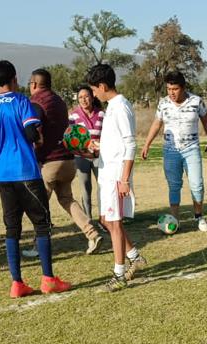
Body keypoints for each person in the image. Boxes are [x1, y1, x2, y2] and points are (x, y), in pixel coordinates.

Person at [0, 60, 71, 298]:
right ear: (14, 79)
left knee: (12, 228)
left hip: (3, 175)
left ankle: (16, 283)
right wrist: (36, 141)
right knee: (41, 225)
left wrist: (2, 154)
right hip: (26, 172)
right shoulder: (22, 102)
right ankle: (48, 279)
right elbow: (32, 132)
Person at [28, 68, 102, 255]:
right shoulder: (60, 101)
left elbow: (34, 130)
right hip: (68, 161)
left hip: (49, 162)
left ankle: (39, 246)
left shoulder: (36, 101)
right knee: (67, 199)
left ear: (34, 84)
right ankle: (92, 233)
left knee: (39, 206)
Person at [86, 64, 146, 292]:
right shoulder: (112, 106)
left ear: (102, 86)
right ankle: (135, 257)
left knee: (115, 222)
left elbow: (130, 144)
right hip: (106, 172)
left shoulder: (121, 107)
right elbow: (117, 141)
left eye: (93, 89)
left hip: (115, 176)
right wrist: (100, 145)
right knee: (105, 220)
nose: (93, 94)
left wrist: (124, 179)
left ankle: (119, 273)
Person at [139, 71, 207, 232]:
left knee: (197, 184)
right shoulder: (163, 103)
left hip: (191, 149)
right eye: (168, 89)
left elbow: (206, 122)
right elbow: (156, 123)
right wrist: (147, 144)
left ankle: (198, 216)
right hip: (170, 151)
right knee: (174, 185)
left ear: (183, 87)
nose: (171, 93)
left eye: (174, 89)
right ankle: (175, 219)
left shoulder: (196, 101)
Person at [70, 85, 104, 219]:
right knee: (85, 189)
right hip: (81, 157)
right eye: (80, 97)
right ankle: (88, 219)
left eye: (86, 96)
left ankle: (104, 218)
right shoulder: (73, 116)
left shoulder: (101, 114)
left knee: (102, 187)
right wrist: (82, 150)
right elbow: (70, 138)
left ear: (92, 96)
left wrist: (99, 147)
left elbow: (107, 134)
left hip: (99, 156)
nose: (83, 100)